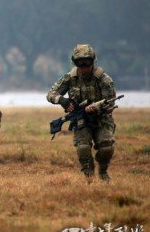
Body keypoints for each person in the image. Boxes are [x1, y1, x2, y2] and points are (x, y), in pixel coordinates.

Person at [47, 44, 117, 182]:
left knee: (107, 147)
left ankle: (103, 171)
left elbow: (110, 102)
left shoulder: (103, 79)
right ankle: (89, 175)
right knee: (83, 147)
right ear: (74, 62)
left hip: (102, 119)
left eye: (87, 62)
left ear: (93, 61)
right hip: (81, 120)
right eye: (80, 62)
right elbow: (51, 94)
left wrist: (97, 108)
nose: (84, 66)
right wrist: (62, 100)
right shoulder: (70, 78)